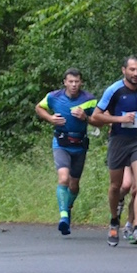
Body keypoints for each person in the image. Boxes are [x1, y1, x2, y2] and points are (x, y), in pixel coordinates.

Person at [92, 56, 137, 246]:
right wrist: (119, 120)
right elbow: (96, 116)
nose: (136, 74)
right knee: (116, 186)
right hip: (118, 141)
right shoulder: (114, 90)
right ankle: (114, 220)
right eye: (132, 70)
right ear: (124, 70)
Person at [35, 68, 98, 236]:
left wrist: (86, 117)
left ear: (81, 83)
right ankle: (63, 216)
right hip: (61, 143)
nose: (74, 85)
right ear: (65, 82)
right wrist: (50, 118)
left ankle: (68, 208)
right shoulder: (53, 97)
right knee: (63, 177)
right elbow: (39, 108)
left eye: (77, 82)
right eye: (70, 81)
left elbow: (99, 121)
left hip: (80, 145)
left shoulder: (89, 100)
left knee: (74, 185)